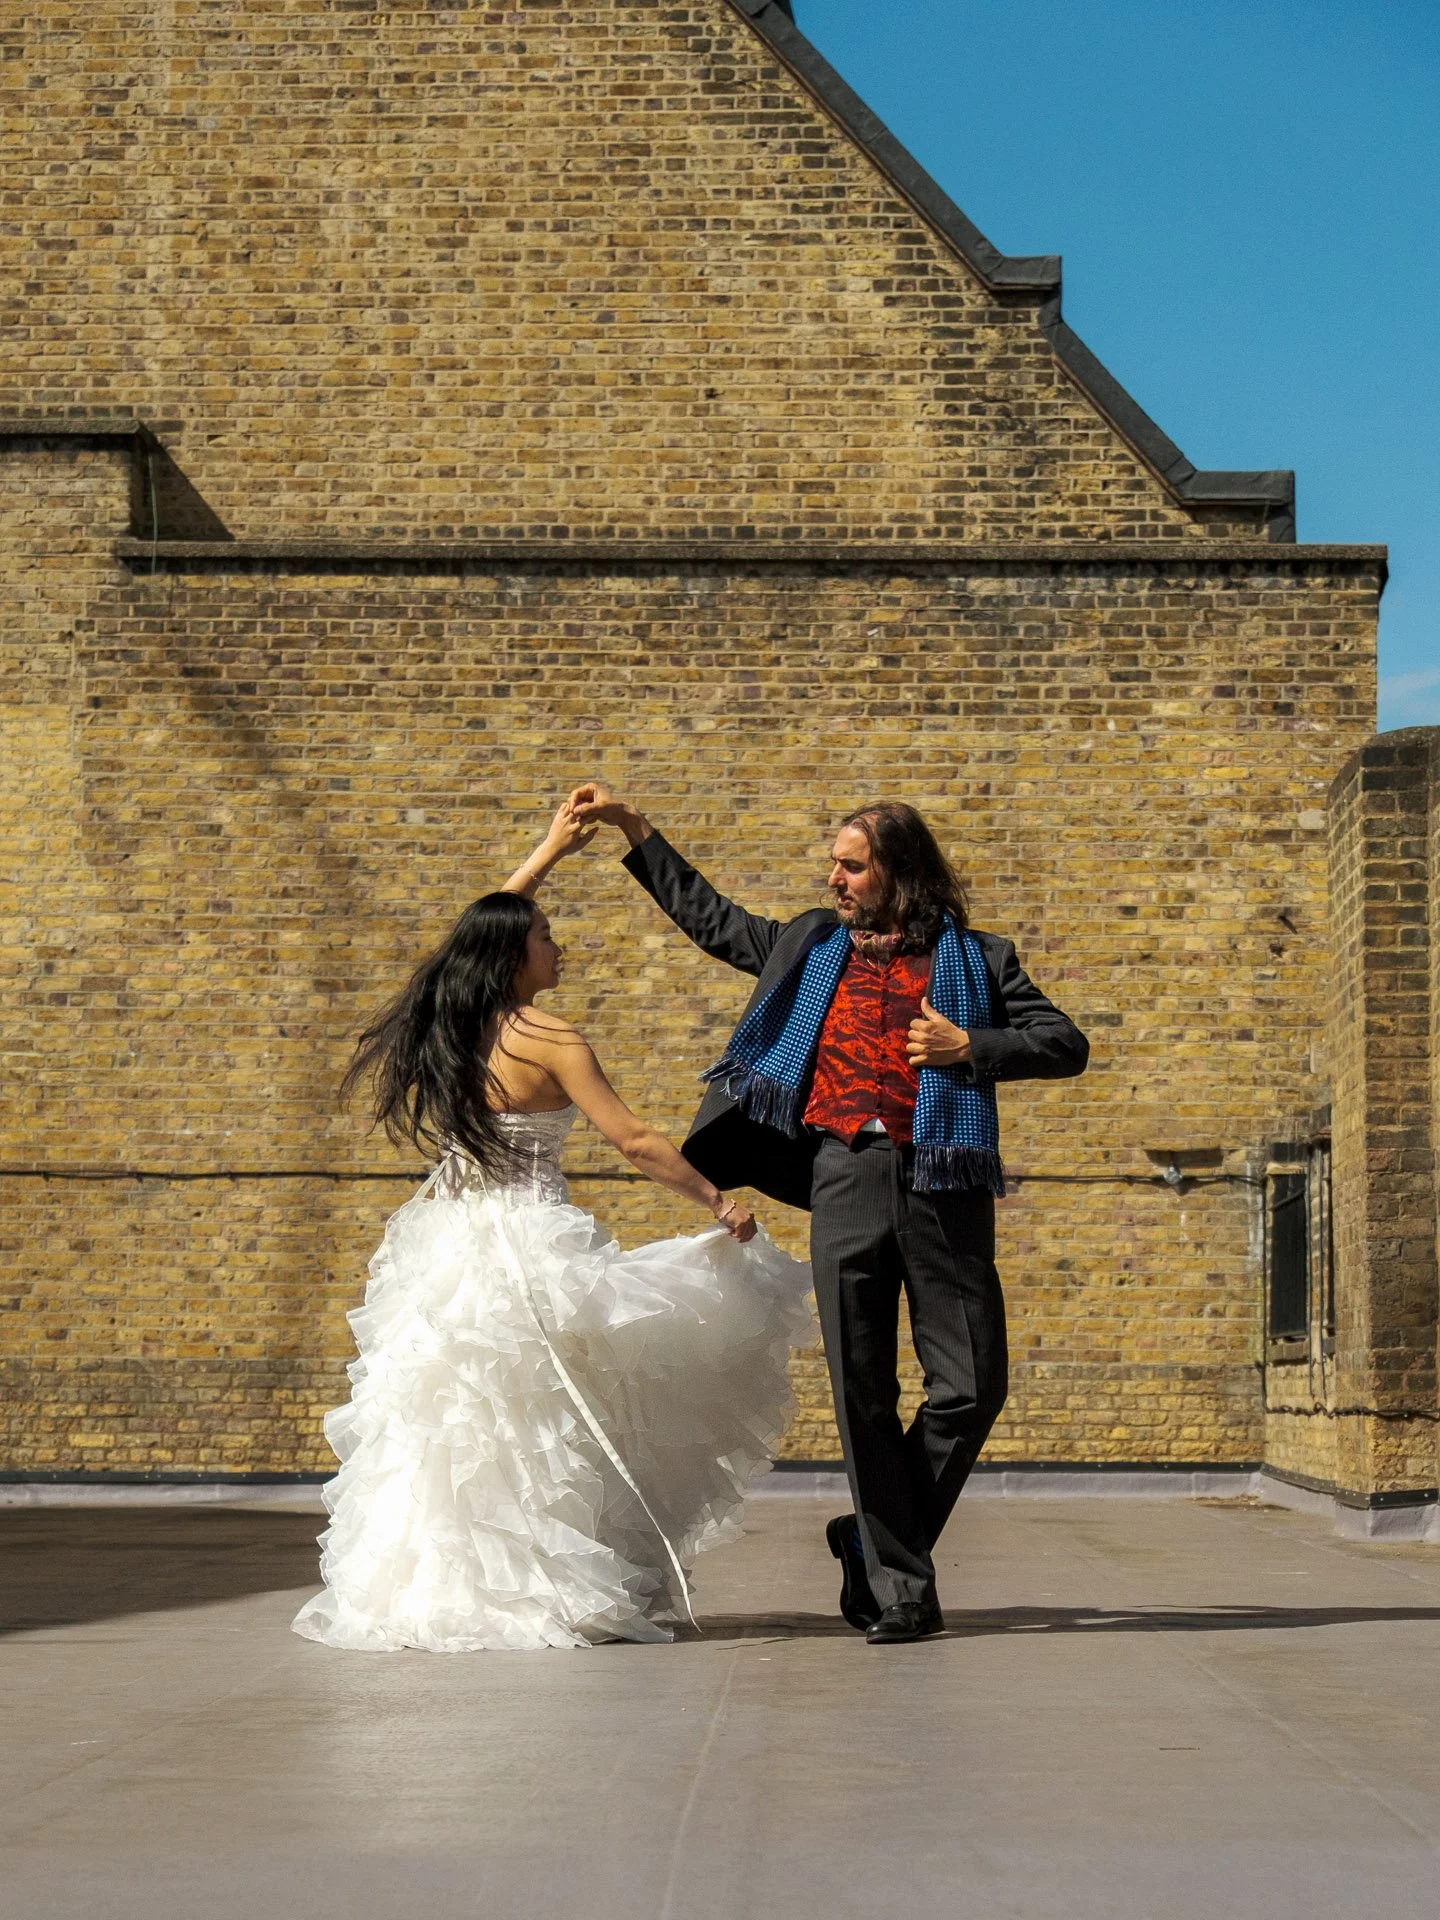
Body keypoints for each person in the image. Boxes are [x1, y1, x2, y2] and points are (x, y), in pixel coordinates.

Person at [292, 800, 815, 1653]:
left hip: (453, 1248)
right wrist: (719, 1203)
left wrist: (545, 854)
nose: (558, 944)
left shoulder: (454, 1026)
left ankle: (454, 1583)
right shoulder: (551, 1039)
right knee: (552, 1420)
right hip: (532, 1246)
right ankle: (550, 1576)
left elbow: (467, 943)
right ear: (517, 956)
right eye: (545, 934)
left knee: (463, 1419)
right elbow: (637, 1140)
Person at [572, 786, 1089, 1645]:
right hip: (843, 1176)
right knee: (863, 1393)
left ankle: (872, 1540)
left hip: (943, 1182)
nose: (836, 878)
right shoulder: (808, 945)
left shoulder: (982, 961)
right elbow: (710, 918)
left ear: (900, 873)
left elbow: (1066, 1043)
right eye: (835, 865)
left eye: (853, 865)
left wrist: (974, 1048)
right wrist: (635, 831)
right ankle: (903, 1591)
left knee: (971, 1386)